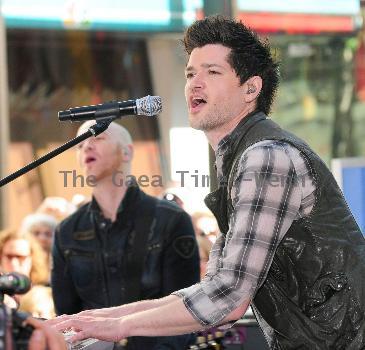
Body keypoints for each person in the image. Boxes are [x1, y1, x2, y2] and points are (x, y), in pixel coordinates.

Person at [47, 15, 365, 349]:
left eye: (212, 72)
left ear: (251, 88)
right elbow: (213, 286)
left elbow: (228, 298)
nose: (194, 84)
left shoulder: (267, 158)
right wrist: (102, 319)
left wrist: (120, 325)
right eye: (190, 73)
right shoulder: (241, 159)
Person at [51, 121, 200, 349]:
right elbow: (66, 317)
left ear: (127, 152)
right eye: (79, 145)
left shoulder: (172, 220)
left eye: (98, 137)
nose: (86, 146)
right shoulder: (66, 231)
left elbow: (186, 312)